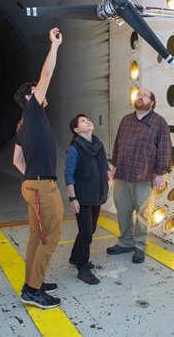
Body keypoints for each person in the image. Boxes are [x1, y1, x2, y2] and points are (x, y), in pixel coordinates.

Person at [12, 27, 63, 309]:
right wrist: (53, 46)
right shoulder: (33, 111)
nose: (43, 91)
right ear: (30, 98)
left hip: (31, 185)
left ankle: (33, 281)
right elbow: (46, 76)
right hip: (42, 186)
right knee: (49, 237)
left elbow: (16, 161)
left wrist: (31, 179)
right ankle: (33, 290)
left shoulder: (22, 124)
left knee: (35, 237)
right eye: (37, 91)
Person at [107, 88, 172, 264]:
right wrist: (114, 165)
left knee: (143, 214)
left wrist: (160, 173)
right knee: (123, 210)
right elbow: (118, 143)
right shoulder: (126, 120)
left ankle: (140, 247)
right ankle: (125, 242)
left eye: (145, 96)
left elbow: (165, 148)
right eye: (138, 95)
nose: (140, 97)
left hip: (145, 176)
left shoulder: (159, 122)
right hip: (123, 173)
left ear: (152, 102)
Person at [64, 114, 112, 285]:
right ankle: (82, 267)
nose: (88, 121)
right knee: (86, 232)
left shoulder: (97, 145)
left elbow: (105, 165)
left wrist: (109, 179)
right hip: (83, 197)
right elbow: (68, 175)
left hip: (97, 194)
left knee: (89, 230)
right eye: (83, 121)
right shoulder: (74, 149)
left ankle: (74, 257)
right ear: (76, 130)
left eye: (88, 119)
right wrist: (73, 198)